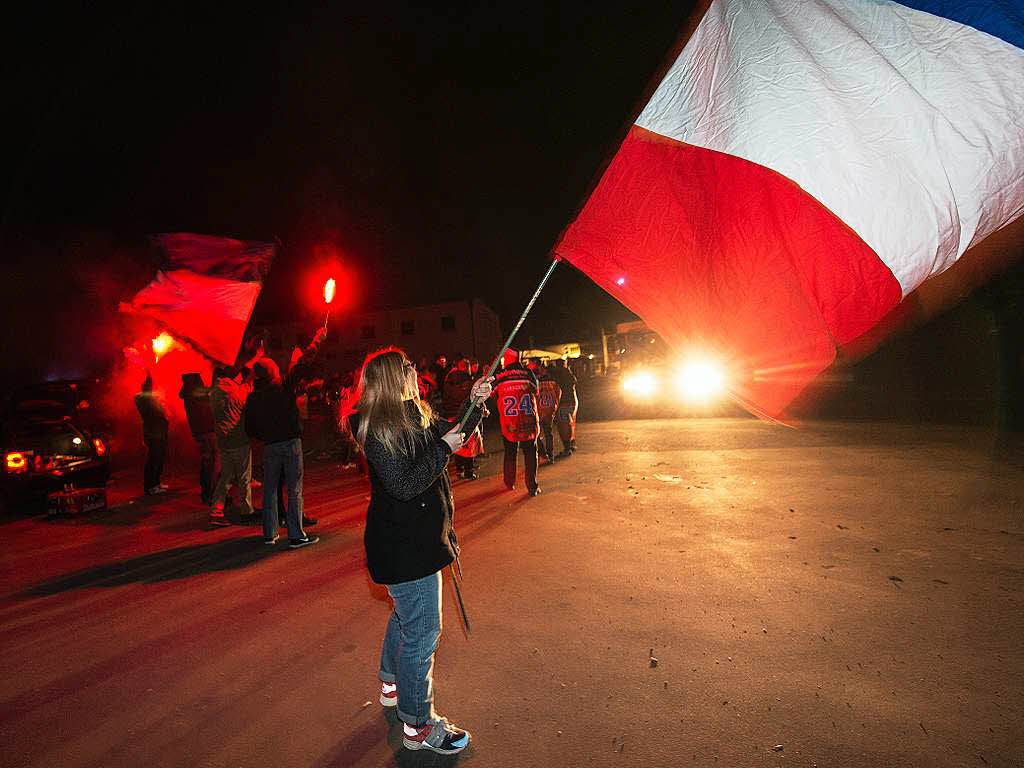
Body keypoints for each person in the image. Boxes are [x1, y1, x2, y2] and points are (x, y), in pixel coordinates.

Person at [349, 347, 491, 756]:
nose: (416, 370)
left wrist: (474, 404)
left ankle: (392, 684)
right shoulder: (378, 429)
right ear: (393, 379)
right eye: (408, 367)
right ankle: (418, 725)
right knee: (422, 632)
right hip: (405, 548)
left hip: (415, 542)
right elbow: (406, 484)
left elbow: (452, 430)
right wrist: (444, 449)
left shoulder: (413, 414)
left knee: (406, 617)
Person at [244, 327, 325, 547]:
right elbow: (303, 364)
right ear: (271, 373)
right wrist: (317, 340)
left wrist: (265, 436)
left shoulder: (252, 397)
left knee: (270, 490)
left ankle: (270, 533)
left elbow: (249, 428)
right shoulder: (282, 386)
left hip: (270, 447)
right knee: (294, 489)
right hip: (290, 443)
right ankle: (296, 534)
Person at [208, 366, 255, 527]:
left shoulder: (213, 394)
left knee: (226, 477)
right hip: (239, 440)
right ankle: (246, 511)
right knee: (244, 478)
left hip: (223, 441)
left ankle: (216, 511)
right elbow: (247, 395)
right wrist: (249, 378)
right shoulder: (237, 392)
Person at [492, 348, 541, 495]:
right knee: (531, 453)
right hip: (528, 421)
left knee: (510, 452)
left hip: (510, 423)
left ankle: (509, 482)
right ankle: (532, 486)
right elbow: (536, 391)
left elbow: (492, 395)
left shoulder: (500, 376)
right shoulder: (528, 374)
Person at [442, 359, 486, 479]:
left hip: (451, 414)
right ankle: (468, 471)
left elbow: (445, 397)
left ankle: (459, 469)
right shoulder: (467, 381)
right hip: (464, 414)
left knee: (456, 444)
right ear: (465, 367)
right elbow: (471, 398)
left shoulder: (448, 380)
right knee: (468, 443)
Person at [180, 372, 217, 504]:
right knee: (210, 465)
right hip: (206, 433)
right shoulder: (193, 395)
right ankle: (210, 494)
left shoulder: (190, 395)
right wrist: (216, 378)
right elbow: (211, 390)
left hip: (203, 433)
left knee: (208, 464)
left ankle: (208, 493)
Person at [134, 374, 169, 496]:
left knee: (158, 458)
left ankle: (156, 483)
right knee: (154, 459)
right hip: (154, 433)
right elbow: (156, 413)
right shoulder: (145, 399)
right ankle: (151, 486)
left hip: (157, 432)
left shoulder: (148, 399)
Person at [533, 359, 561, 463]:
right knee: (547, 432)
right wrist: (555, 405)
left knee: (538, 433)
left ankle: (545, 454)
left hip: (540, 410)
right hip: (548, 409)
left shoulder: (536, 380)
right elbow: (559, 392)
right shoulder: (552, 380)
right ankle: (549, 455)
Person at [550, 358, 579, 458]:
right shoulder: (569, 373)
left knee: (563, 425)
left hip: (563, 402)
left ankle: (567, 448)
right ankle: (571, 444)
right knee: (569, 423)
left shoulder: (558, 374)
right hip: (572, 401)